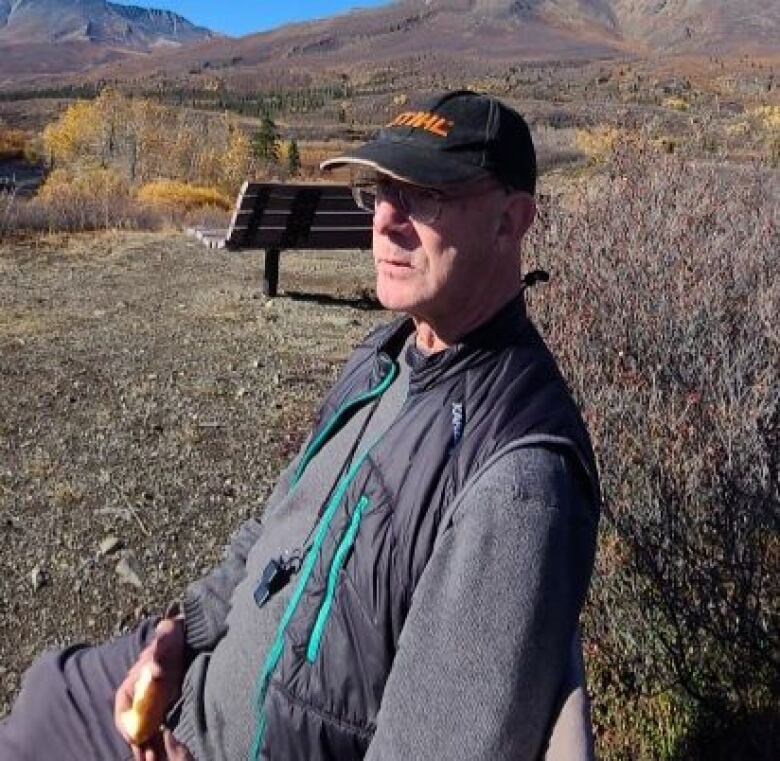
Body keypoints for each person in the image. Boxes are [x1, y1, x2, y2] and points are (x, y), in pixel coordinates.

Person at [0, 90, 600, 761]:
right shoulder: (387, 356)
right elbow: (275, 528)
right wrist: (181, 631)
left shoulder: (516, 478)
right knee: (48, 689)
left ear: (510, 221)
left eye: (425, 195)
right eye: (379, 190)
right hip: (196, 687)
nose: (385, 220)